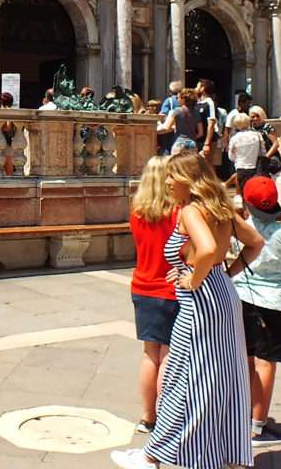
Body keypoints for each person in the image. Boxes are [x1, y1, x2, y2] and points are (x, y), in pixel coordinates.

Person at [112, 152, 264, 469]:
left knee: (185, 379)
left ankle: (156, 455)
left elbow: (207, 249)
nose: (167, 182)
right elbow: (256, 243)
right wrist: (221, 272)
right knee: (223, 375)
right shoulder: (220, 208)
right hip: (223, 295)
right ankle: (226, 453)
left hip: (201, 302)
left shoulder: (192, 210)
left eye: (173, 176)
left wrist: (194, 278)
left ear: (188, 179)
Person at [231, 175, 281, 446]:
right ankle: (257, 426)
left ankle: (241, 416)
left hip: (241, 296)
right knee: (266, 363)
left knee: (246, 360)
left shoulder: (241, 227)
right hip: (276, 301)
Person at [127, 157, 180, 434]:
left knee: (149, 355)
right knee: (170, 355)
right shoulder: (179, 212)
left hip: (143, 286)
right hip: (171, 288)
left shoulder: (137, 211)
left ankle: (148, 417)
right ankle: (168, 419)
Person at [156, 88, 201, 153]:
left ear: (183, 99)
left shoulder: (176, 111)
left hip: (180, 143)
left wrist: (155, 128)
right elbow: (200, 133)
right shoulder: (196, 112)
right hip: (192, 144)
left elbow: (166, 128)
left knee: (177, 163)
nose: (177, 100)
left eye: (178, 98)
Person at [228, 112, 262, 190]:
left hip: (240, 168)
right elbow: (262, 152)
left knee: (243, 192)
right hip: (255, 167)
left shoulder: (234, 138)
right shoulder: (257, 135)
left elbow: (231, 157)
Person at [195, 79, 219, 165]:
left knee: (208, 167)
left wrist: (207, 143)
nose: (195, 88)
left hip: (208, 141)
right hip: (198, 140)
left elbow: (211, 123)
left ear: (203, 88)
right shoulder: (197, 103)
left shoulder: (210, 103)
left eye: (197, 86)